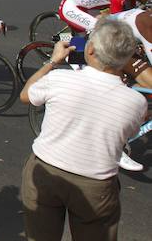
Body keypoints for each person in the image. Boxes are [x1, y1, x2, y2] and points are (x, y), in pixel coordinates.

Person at [19, 18, 146, 241]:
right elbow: (127, 132)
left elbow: (26, 95)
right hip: (97, 184)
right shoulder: (136, 102)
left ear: (90, 49)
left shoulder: (59, 78)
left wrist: (52, 61)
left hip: (45, 171)